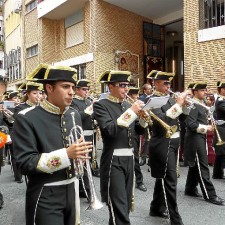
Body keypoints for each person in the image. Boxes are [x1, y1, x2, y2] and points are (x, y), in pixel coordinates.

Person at [13, 64, 93, 225]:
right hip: (45, 194)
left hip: (73, 189)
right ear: (49, 88)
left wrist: (80, 157)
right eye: (65, 87)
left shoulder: (73, 114)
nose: (71, 92)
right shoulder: (26, 117)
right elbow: (24, 163)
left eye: (72, 87)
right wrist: (67, 154)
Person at [93, 70, 145, 225]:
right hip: (113, 159)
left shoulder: (127, 105)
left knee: (125, 203)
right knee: (118, 205)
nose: (126, 89)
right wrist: (132, 112)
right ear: (111, 87)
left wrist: (143, 119)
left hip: (129, 158)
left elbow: (138, 131)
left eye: (127, 85)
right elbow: (110, 130)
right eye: (122, 85)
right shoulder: (101, 105)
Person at [147, 71, 187, 225]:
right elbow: (161, 121)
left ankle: (156, 207)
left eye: (169, 83)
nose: (168, 86)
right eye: (165, 83)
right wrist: (178, 104)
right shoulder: (153, 100)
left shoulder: (170, 99)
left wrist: (185, 105)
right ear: (156, 83)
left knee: (163, 177)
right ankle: (175, 217)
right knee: (170, 180)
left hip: (174, 142)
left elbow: (183, 118)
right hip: (162, 142)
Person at [184, 82, 225, 206]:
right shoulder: (193, 105)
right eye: (202, 90)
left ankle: (190, 189)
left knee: (196, 165)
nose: (205, 92)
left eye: (205, 90)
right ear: (195, 92)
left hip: (199, 137)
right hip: (194, 138)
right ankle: (210, 195)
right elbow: (191, 124)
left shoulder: (201, 104)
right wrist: (207, 127)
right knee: (203, 166)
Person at [71, 79, 99, 202]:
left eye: (87, 90)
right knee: (84, 163)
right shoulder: (73, 102)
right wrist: (90, 109)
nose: (86, 92)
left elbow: (92, 118)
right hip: (80, 135)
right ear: (76, 89)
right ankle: (89, 192)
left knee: (89, 161)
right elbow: (77, 117)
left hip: (91, 134)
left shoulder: (88, 101)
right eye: (84, 89)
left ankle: (83, 189)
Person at [127, 86, 147, 192]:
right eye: (136, 95)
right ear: (130, 95)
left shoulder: (137, 106)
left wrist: (143, 119)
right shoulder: (126, 105)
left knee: (135, 159)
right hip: (124, 136)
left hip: (134, 135)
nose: (138, 97)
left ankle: (139, 181)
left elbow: (138, 127)